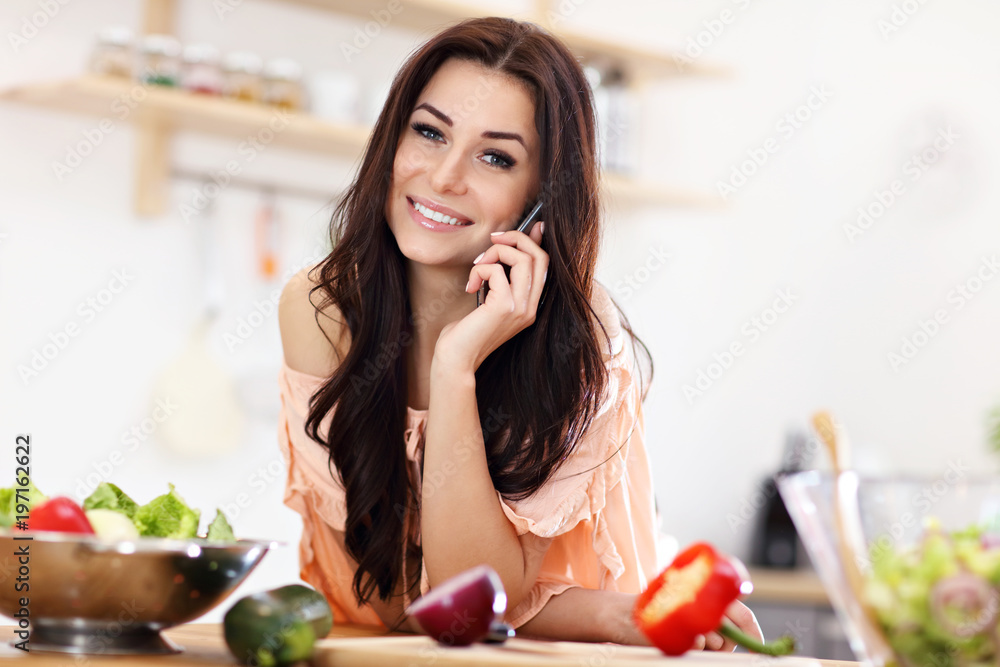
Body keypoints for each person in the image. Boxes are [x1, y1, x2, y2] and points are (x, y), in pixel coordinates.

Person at [277, 16, 761, 649]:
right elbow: (399, 602)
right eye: (429, 132)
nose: (445, 177)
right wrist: (604, 612)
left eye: (495, 157)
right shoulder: (324, 309)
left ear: (541, 197)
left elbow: (473, 599)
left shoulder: (583, 340)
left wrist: (455, 367)